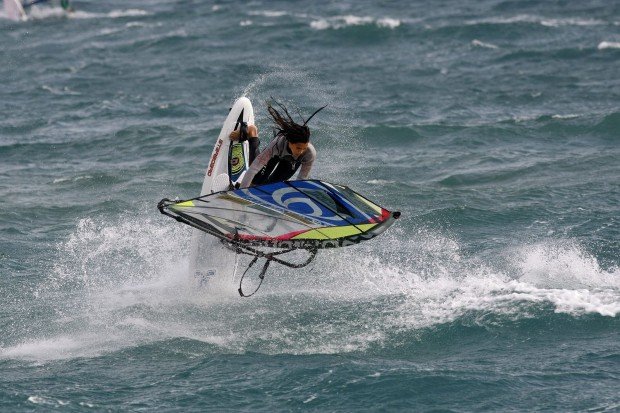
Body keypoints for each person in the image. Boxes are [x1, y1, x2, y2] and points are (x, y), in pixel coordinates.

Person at [229, 99, 326, 188]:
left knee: (271, 186)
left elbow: (301, 180)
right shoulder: (276, 145)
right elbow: (254, 169)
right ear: (290, 142)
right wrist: (242, 191)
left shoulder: (310, 154)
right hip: (275, 154)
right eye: (298, 148)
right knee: (256, 181)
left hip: (290, 161)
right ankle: (252, 132)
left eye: (304, 148)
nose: (301, 151)